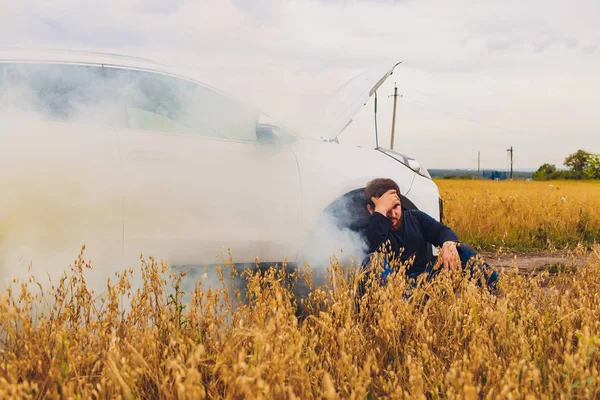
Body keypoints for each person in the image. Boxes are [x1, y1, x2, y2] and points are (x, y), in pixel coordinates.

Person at [360, 178, 498, 293]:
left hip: (424, 282)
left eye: (395, 206)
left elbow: (441, 231)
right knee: (373, 260)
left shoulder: (415, 217)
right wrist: (380, 214)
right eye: (386, 209)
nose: (392, 214)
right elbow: (370, 246)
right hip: (392, 290)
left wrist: (448, 243)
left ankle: (497, 292)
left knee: (462, 250)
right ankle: (400, 309)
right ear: (370, 209)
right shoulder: (366, 227)